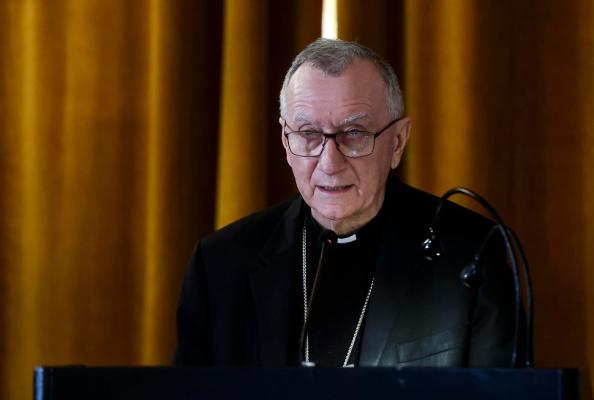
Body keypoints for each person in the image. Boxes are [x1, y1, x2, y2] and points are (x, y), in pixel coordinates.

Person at [174, 38, 515, 368]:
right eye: (308, 134)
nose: (329, 163)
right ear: (285, 141)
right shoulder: (219, 266)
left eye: (354, 134)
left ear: (398, 142)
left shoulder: (473, 254)